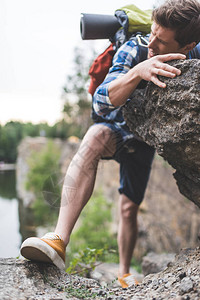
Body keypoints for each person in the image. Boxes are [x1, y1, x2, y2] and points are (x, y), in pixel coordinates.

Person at [20, 0, 200, 288]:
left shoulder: (196, 54)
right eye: (152, 32)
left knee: (129, 208)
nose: (151, 42)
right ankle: (57, 241)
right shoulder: (135, 47)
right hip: (115, 125)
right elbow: (101, 103)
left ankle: (125, 273)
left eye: (162, 41)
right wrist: (138, 71)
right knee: (93, 137)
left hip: (144, 141)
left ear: (189, 45)